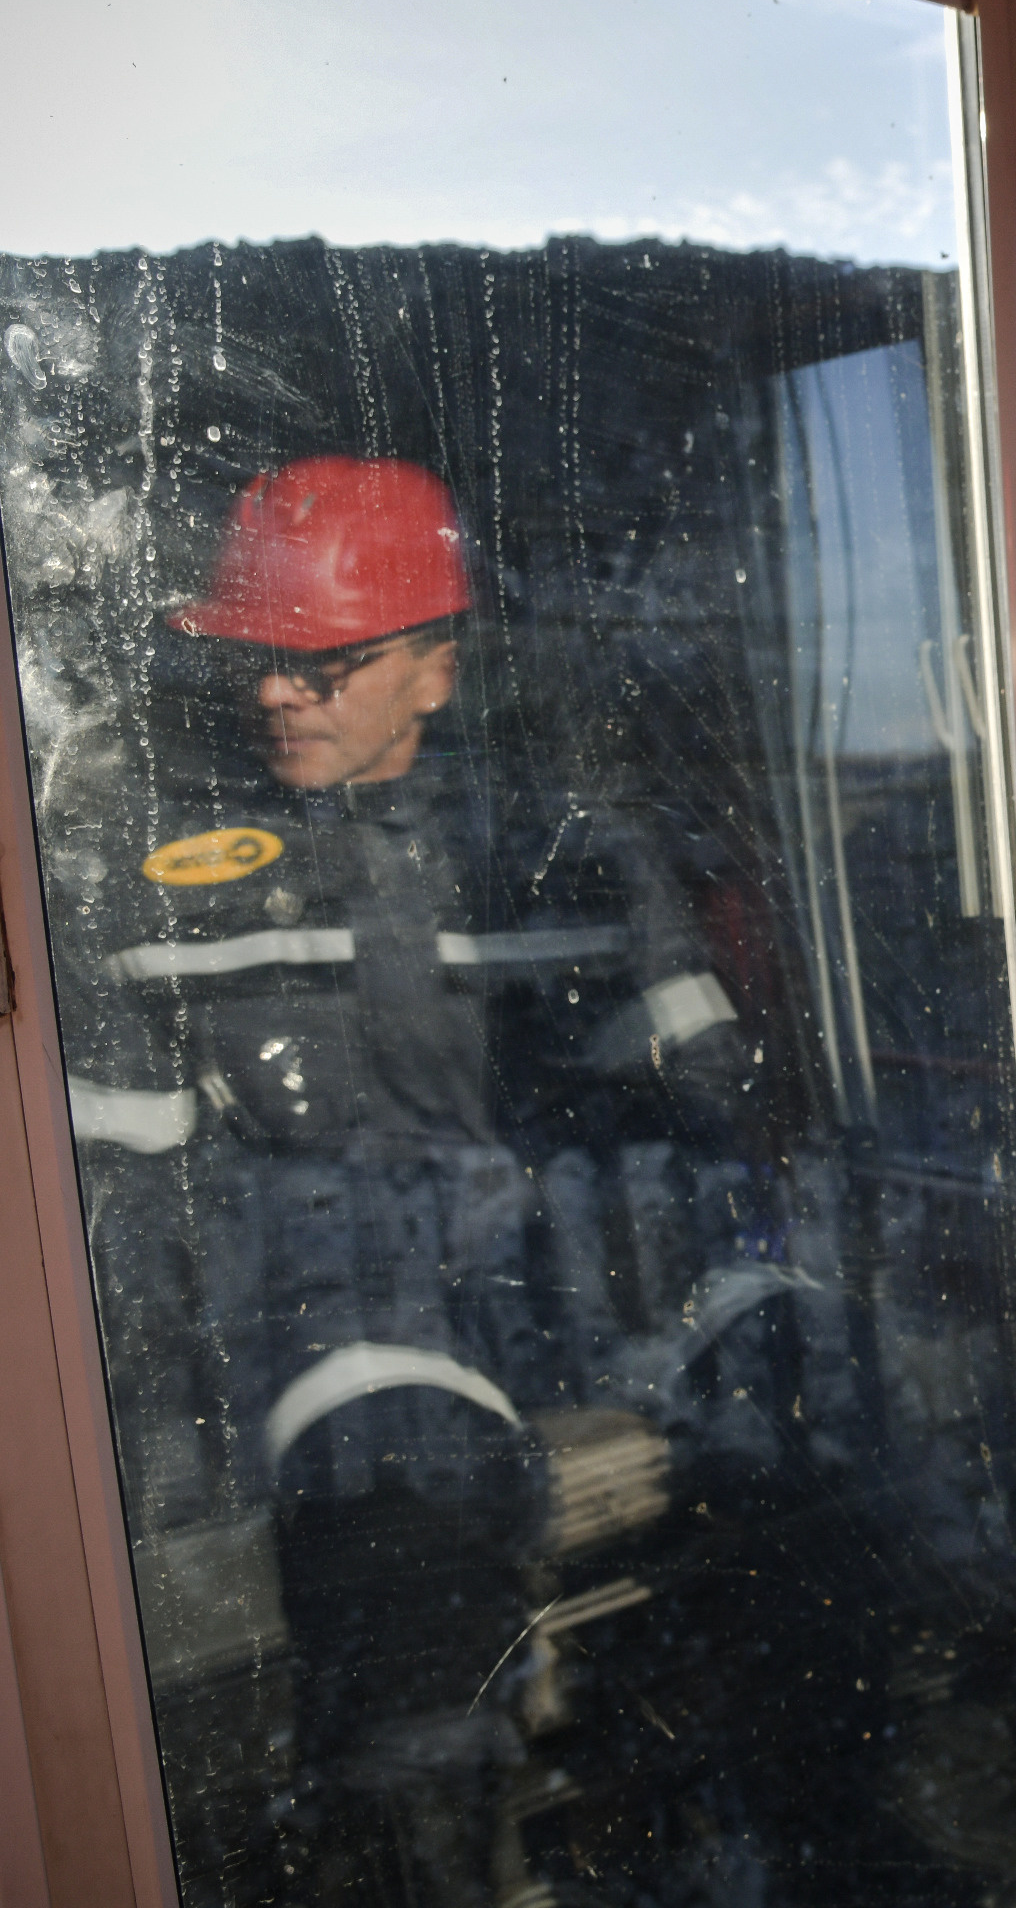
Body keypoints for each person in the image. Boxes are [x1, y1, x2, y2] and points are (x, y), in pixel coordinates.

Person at [59, 454, 755, 1902]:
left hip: (550, 1296)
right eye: (263, 658)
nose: (278, 693)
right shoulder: (138, 868)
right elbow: (117, 1206)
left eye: (329, 663)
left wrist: (704, 1305)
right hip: (311, 1328)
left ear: (434, 671)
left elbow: (701, 1123)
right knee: (412, 1559)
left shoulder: (554, 859)